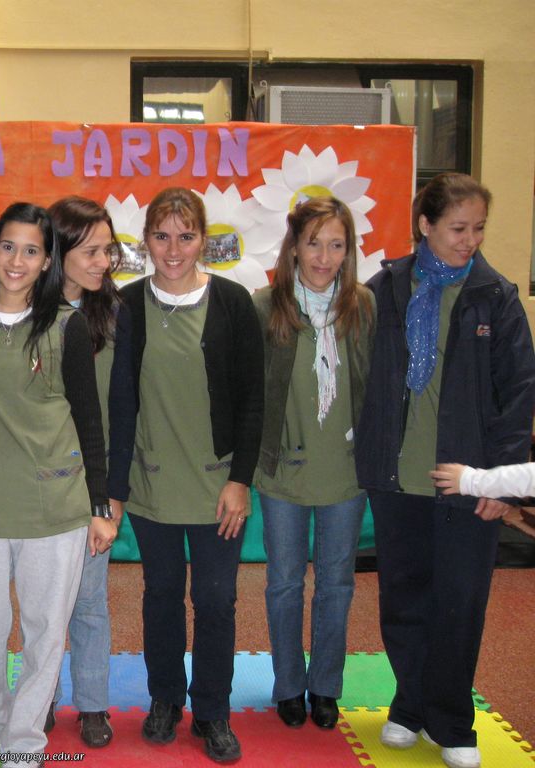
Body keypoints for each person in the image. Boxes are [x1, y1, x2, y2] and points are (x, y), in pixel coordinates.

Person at [0, 202, 115, 768]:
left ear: (47, 260)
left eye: (32, 250)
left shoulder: (66, 325)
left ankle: (24, 738)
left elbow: (89, 420)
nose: (17, 260)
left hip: (54, 506)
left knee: (44, 631)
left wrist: (100, 505)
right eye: (8, 246)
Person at [355, 173, 535, 768]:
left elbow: (518, 395)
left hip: (469, 481)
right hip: (398, 477)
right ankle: (409, 706)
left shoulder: (495, 297)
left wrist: (503, 483)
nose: (470, 240)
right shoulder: (386, 288)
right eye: (458, 228)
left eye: (478, 229)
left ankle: (453, 719)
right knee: (403, 600)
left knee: (460, 602)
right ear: (424, 225)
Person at [120, 186, 263, 764]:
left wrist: (240, 480)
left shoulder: (232, 302)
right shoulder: (126, 305)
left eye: (186, 236)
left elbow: (253, 399)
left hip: (217, 486)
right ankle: (164, 700)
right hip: (150, 482)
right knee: (160, 596)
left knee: (216, 600)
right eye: (161, 236)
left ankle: (212, 711)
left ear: (204, 239)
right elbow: (117, 400)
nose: (173, 249)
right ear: (146, 241)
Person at [252, 197, 374, 730]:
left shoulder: (363, 306)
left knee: (336, 584)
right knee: (283, 583)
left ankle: (325, 685)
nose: (324, 257)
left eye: (336, 245)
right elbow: (250, 390)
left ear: (349, 251)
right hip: (283, 470)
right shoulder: (266, 306)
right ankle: (288, 685)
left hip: (345, 469)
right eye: (313, 243)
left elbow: (377, 386)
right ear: (294, 247)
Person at [44, 196, 135, 748]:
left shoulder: (116, 315)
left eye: (108, 250)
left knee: (89, 598)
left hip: (93, 479)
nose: (104, 262)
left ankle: (93, 703)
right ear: (60, 252)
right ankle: (41, 697)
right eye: (92, 251)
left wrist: (112, 492)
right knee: (42, 601)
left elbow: (124, 409)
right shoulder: (30, 312)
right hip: (40, 481)